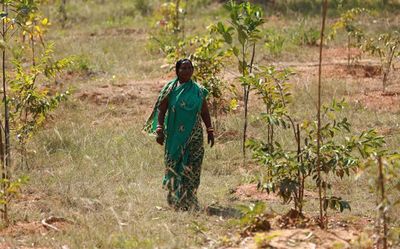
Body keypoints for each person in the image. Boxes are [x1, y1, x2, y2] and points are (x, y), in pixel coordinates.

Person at [144, 59, 214, 211]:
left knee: (194, 165)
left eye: (190, 68)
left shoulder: (198, 90)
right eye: (184, 68)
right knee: (174, 165)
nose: (187, 71)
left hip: (194, 134)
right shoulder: (170, 89)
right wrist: (160, 129)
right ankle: (176, 200)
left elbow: (204, 111)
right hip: (175, 136)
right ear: (177, 70)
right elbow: (161, 110)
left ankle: (190, 199)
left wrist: (210, 130)